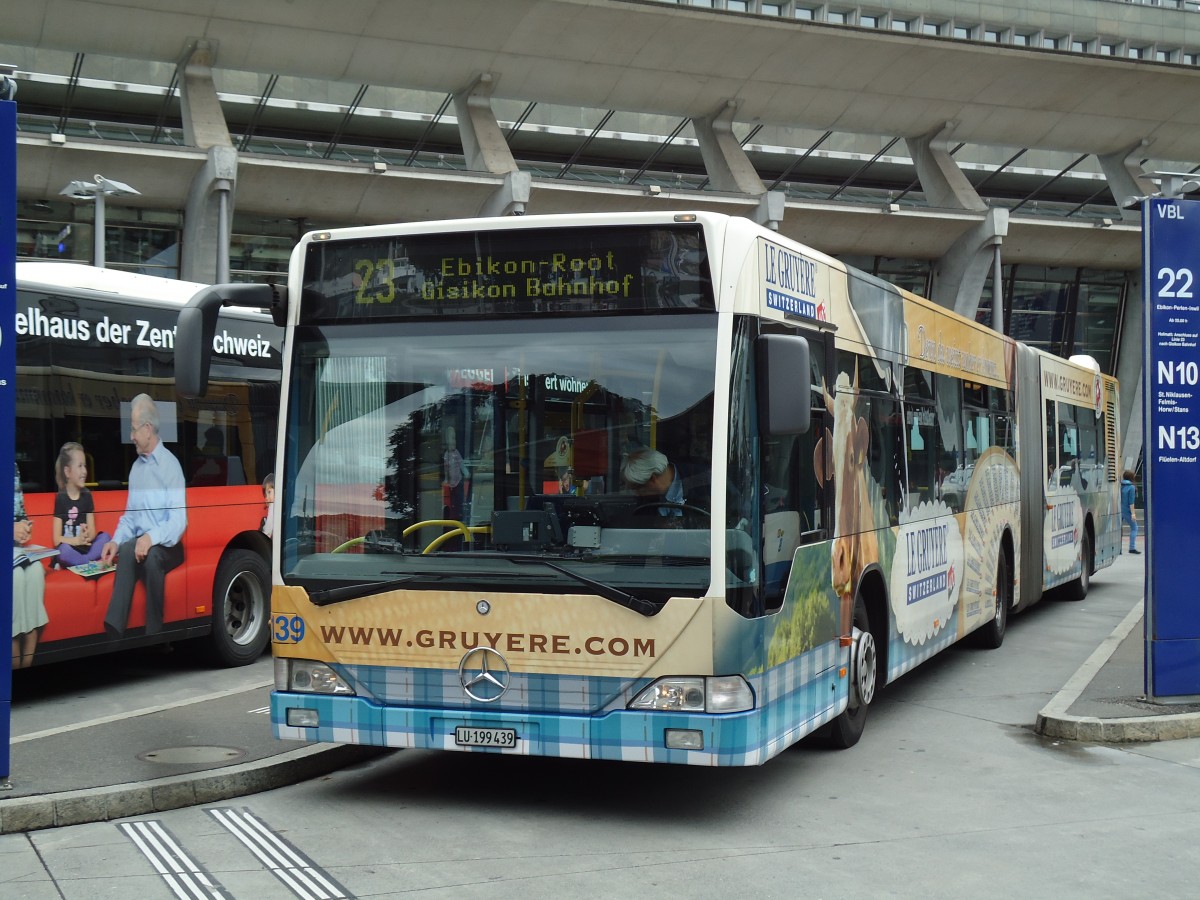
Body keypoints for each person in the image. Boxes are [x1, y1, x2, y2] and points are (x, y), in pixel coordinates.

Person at [101, 394, 187, 637]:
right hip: (140, 546)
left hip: (168, 546)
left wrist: (150, 537)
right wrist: (115, 542)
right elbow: (130, 517)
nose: (131, 436)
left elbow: (179, 522)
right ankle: (113, 631)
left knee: (150, 558)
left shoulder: (171, 467)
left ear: (148, 429)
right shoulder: (136, 469)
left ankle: (154, 634)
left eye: (133, 429)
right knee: (127, 548)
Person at [52, 441, 112, 567]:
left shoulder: (87, 495)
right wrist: (76, 540)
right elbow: (57, 539)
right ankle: (89, 562)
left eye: (85, 466)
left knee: (106, 537)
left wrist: (86, 536)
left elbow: (92, 532)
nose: (85, 471)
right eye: (80, 466)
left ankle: (82, 562)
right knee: (63, 550)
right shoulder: (61, 498)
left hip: (87, 548)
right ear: (67, 472)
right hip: (70, 548)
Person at [13, 463, 48, 669]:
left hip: (14, 549)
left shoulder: (12, 467)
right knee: (15, 576)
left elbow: (20, 512)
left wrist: (24, 526)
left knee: (35, 571)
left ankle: (28, 654)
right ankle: (13, 642)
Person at [1121, 469, 1140, 555]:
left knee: (1119, 529)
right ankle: (1132, 548)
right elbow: (1131, 502)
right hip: (1127, 511)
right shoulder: (1131, 487)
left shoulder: (1120, 485)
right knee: (1134, 528)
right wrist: (1133, 514)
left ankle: (1119, 549)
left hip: (1119, 509)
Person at [261, 472, 275, 537]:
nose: (267, 498)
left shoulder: (273, 507)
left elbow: (267, 533)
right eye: (265, 495)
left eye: (269, 492)